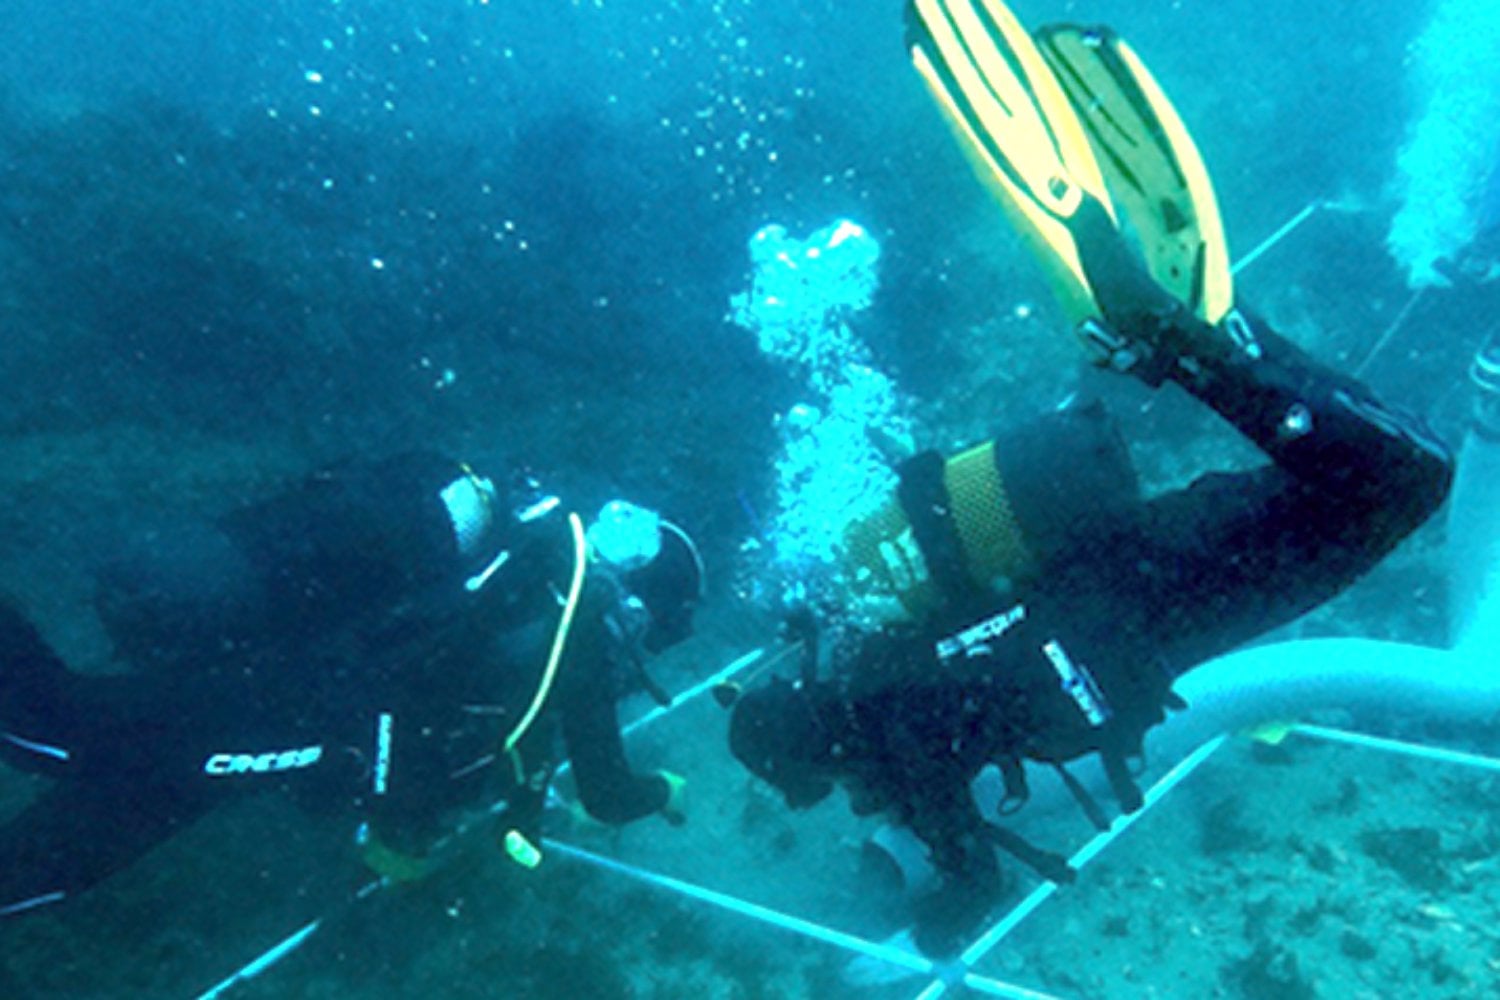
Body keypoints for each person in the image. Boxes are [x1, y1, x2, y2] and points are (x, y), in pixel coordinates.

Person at [728, 0, 1455, 957]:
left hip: (1175, 600)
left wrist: (900, 952)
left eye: (804, 782)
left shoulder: (894, 732)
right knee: (1381, 475)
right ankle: (1216, 341)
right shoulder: (866, 659)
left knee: (1403, 481)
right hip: (1145, 570)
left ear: (813, 751)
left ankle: (1182, 345)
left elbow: (966, 888)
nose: (820, 795)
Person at [0, 450, 700, 917]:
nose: (640, 658)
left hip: (289, 684)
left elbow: (480, 705)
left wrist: (509, 797)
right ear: (638, 607)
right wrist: (664, 791)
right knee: (54, 730)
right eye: (654, 635)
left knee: (83, 846)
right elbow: (607, 793)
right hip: (307, 707)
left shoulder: (529, 576)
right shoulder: (574, 621)